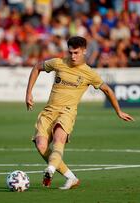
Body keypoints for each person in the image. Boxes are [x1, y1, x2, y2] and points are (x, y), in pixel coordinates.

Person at [25, 36, 134, 190]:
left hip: (67, 112)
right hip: (49, 111)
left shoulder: (89, 73)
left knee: (58, 138)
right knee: (41, 145)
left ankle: (50, 169)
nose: (73, 56)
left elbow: (107, 90)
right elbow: (37, 67)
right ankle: (71, 177)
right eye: (70, 52)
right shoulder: (58, 63)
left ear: (84, 51)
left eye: (76, 53)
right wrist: (28, 93)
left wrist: (118, 111)